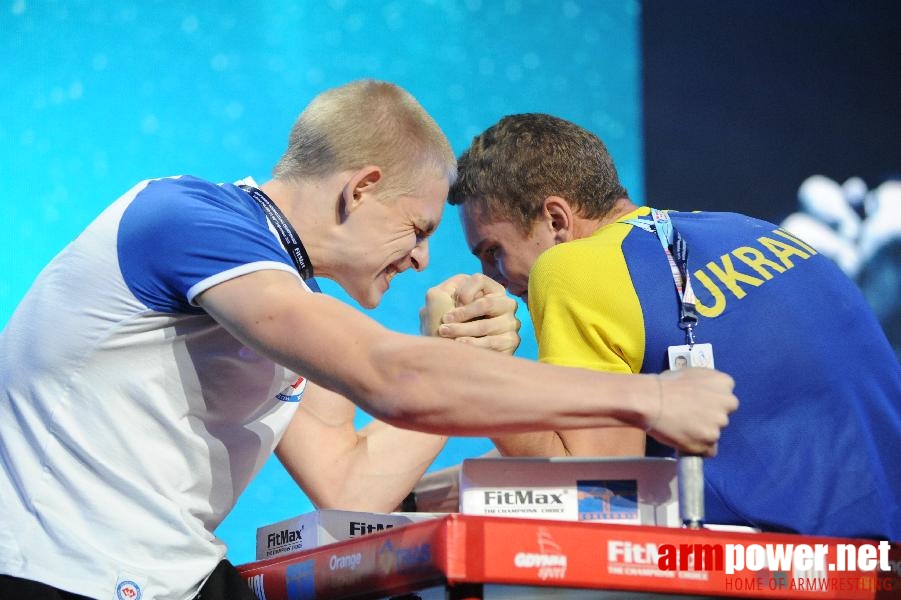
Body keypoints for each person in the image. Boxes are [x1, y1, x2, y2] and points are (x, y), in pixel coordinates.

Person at [0, 82, 737, 600]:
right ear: (360, 188)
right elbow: (390, 376)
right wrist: (648, 397)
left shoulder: (287, 298)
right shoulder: (187, 218)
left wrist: (461, 351)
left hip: (164, 577)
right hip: (60, 576)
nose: (421, 260)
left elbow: (352, 486)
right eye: (416, 232)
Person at [449, 112, 901, 540]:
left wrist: (474, 364)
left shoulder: (571, 267)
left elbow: (593, 492)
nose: (497, 280)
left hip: (799, 575)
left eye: (493, 252)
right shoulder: (759, 232)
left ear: (556, 219)